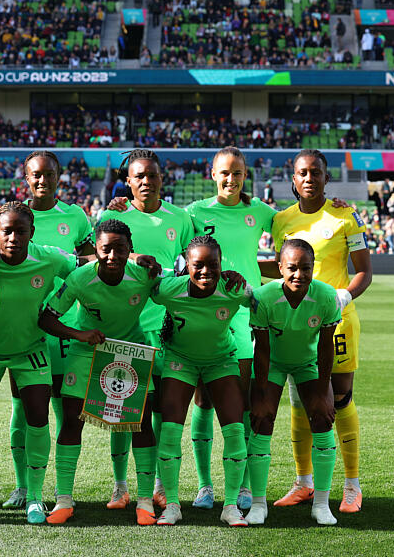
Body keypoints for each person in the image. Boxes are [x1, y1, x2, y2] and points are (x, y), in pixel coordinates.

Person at [38, 219, 161, 526]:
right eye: (106, 248)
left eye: (121, 249)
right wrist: (77, 335)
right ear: (95, 248)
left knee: (141, 424)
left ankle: (145, 501)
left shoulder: (145, 275)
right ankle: (64, 500)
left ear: (130, 249)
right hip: (87, 351)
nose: (112, 256)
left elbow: (182, 284)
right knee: (71, 421)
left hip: (130, 351)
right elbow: (46, 319)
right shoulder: (80, 278)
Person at [0, 202, 77, 525]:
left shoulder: (49, 258)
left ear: (32, 233)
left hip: (30, 350)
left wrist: (134, 260)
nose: (13, 237)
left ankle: (35, 498)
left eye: (20, 231)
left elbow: (84, 271)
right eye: (6, 231)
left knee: (38, 418)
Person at [270, 149, 372, 514]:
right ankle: (303, 483)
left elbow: (364, 271)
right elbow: (280, 267)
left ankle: (352, 485)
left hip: (338, 321)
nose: (309, 177)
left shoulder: (346, 216)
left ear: (327, 178)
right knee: (298, 400)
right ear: (293, 180)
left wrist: (343, 296)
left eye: (316, 172)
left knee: (340, 399)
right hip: (296, 323)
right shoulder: (280, 220)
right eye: (302, 172)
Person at [99, 149, 195, 510]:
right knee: (122, 410)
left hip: (167, 324)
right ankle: (120, 485)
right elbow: (95, 258)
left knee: (160, 408)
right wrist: (135, 258)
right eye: (138, 176)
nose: (146, 182)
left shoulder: (180, 218)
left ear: (161, 179)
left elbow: (192, 261)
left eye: (152, 175)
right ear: (128, 181)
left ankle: (157, 484)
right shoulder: (114, 214)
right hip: (126, 325)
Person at [183, 147, 277, 510]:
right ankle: (205, 486)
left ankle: (242, 487)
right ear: (212, 174)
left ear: (245, 176)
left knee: (246, 400)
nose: (231, 180)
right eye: (224, 173)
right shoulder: (194, 213)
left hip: (247, 316)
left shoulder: (260, 211)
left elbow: (293, 225)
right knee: (204, 398)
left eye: (237, 174)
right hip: (207, 314)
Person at [2, 151, 95, 511]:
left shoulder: (75, 216)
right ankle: (22, 487)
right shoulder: (15, 216)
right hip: (24, 333)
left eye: (49, 174)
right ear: (26, 177)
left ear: (60, 176)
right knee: (23, 410)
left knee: (62, 412)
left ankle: (58, 490)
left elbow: (86, 266)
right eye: (35, 175)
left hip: (64, 328)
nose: (42, 181)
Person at [152, 236, 249, 526]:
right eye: (198, 265)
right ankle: (171, 505)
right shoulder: (169, 289)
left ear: (222, 265)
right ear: (187, 266)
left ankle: (231, 506)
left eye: (213, 265)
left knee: (234, 430)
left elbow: (264, 304)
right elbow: (140, 285)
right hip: (180, 362)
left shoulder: (233, 290)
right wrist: (136, 258)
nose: (206, 271)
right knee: (169, 431)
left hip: (221, 361)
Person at [246, 238, 343, 526]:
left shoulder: (326, 297)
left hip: (307, 364)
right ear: (279, 268)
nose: (299, 274)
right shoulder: (263, 297)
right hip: (272, 363)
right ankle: (259, 504)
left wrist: (325, 390)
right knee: (261, 417)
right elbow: (261, 350)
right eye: (292, 268)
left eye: (306, 268)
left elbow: (326, 349)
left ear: (314, 269)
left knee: (324, 417)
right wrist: (262, 391)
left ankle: (322, 504)